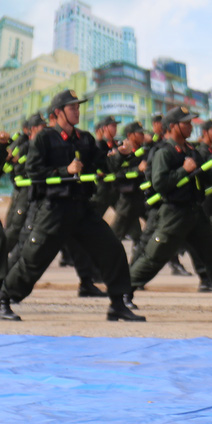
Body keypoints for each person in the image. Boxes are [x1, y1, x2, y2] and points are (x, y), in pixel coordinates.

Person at [0, 90, 143, 322]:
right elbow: (34, 172)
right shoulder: (44, 139)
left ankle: (118, 303)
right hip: (54, 209)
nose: (77, 110)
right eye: (72, 107)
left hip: (81, 208)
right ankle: (4, 299)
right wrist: (65, 171)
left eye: (78, 107)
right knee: (34, 258)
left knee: (112, 248)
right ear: (58, 112)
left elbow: (104, 164)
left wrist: (122, 155)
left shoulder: (84, 139)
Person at [128, 106, 212, 312]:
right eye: (185, 123)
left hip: (195, 212)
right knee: (154, 256)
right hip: (174, 213)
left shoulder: (190, 151)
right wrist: (183, 171)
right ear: (173, 127)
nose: (190, 126)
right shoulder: (163, 152)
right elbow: (160, 183)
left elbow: (207, 178)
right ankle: (123, 292)